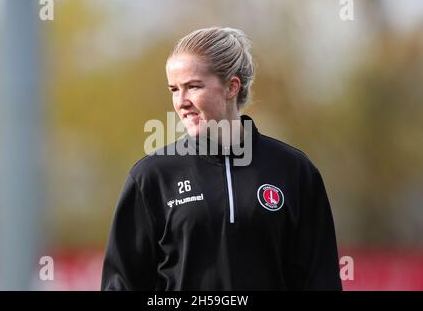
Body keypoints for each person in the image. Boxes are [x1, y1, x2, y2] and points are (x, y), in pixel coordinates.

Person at [101, 27, 342, 291]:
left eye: (193, 87)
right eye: (174, 89)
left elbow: (320, 280)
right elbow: (122, 284)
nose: (181, 101)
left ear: (231, 87)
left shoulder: (294, 171)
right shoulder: (152, 176)